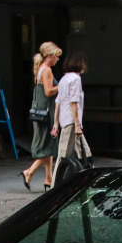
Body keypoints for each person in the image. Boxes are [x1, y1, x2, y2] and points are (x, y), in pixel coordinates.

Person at [21, 42, 60, 192]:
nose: (57, 59)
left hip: (39, 112)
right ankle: (29, 171)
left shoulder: (40, 69)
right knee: (48, 146)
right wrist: (62, 85)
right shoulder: (47, 71)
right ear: (49, 56)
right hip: (46, 113)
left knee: (48, 145)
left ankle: (48, 178)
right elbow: (49, 91)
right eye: (56, 56)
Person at [51, 51, 90, 188]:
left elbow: (58, 102)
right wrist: (78, 125)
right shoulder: (75, 79)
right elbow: (74, 103)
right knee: (64, 155)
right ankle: (55, 186)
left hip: (66, 120)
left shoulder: (64, 79)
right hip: (72, 122)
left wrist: (56, 123)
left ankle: (85, 178)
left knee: (84, 151)